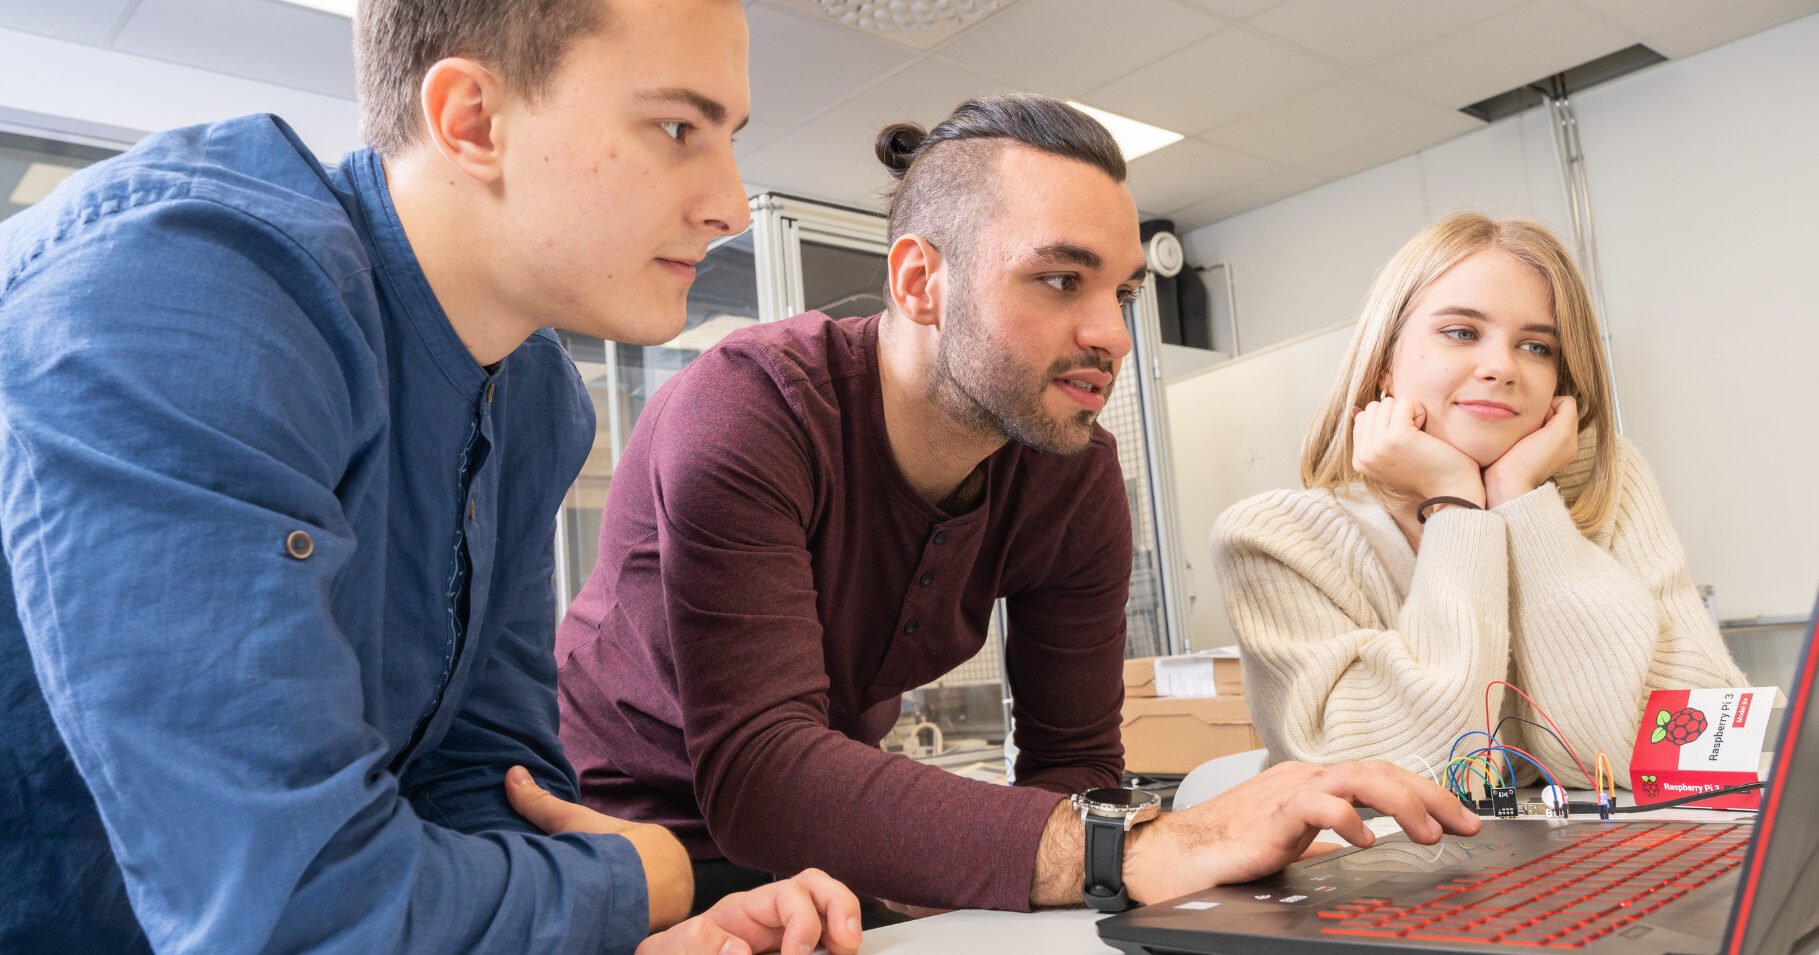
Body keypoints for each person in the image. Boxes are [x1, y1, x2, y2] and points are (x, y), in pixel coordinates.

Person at [0, 0, 863, 952]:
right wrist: (635, 880)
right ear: (472, 120)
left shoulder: (535, 396)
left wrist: (628, 922)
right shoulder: (185, 293)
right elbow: (294, 908)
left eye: (729, 139)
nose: (730, 207)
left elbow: (486, 784)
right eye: (675, 128)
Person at [555, 91, 1480, 917]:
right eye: (1058, 279)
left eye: (1120, 290)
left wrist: (1025, 863)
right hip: (622, 852)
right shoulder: (750, 409)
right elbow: (760, 772)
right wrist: (1148, 845)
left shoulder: (1070, 472)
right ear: (921, 282)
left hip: (826, 854)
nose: (1108, 334)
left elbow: (1072, 765)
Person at [1212, 213, 1746, 789]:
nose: (1501, 368)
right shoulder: (1273, 539)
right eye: (1462, 333)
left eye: (1536, 346)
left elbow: (1708, 753)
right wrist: (1457, 508)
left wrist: (1522, 504)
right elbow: (1429, 778)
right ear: (1385, 362)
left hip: (1590, 862)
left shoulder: (1609, 487)